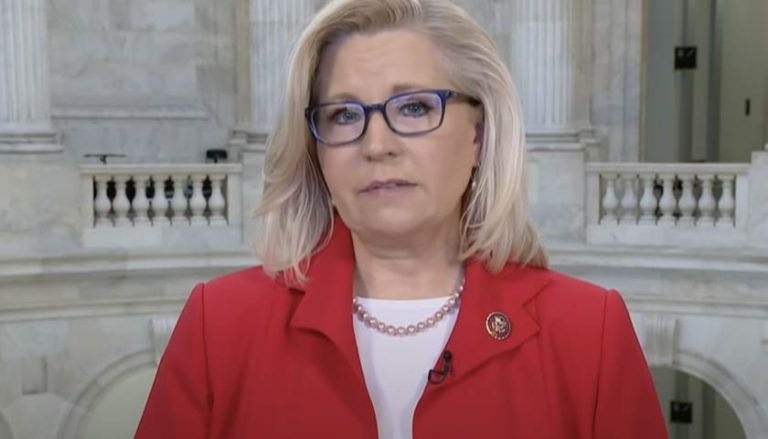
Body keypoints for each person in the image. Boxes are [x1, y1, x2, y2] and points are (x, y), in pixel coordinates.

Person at [136, 0, 668, 437]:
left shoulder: (589, 332)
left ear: (479, 134)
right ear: (315, 148)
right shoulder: (219, 326)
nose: (376, 145)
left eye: (414, 107)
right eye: (344, 115)